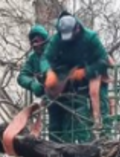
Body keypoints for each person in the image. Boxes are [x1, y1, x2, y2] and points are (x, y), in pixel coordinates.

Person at [43, 12, 111, 142]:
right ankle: (65, 142)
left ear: (77, 28)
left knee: (100, 106)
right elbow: (46, 58)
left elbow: (103, 60)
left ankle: (104, 139)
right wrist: (48, 72)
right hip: (71, 81)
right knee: (71, 110)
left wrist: (86, 72)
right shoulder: (57, 39)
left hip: (94, 75)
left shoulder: (91, 38)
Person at [17, 25, 51, 98]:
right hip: (49, 97)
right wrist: (32, 84)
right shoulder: (32, 58)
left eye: (36, 41)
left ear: (43, 39)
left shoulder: (56, 47)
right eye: (32, 43)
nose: (34, 44)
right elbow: (22, 76)